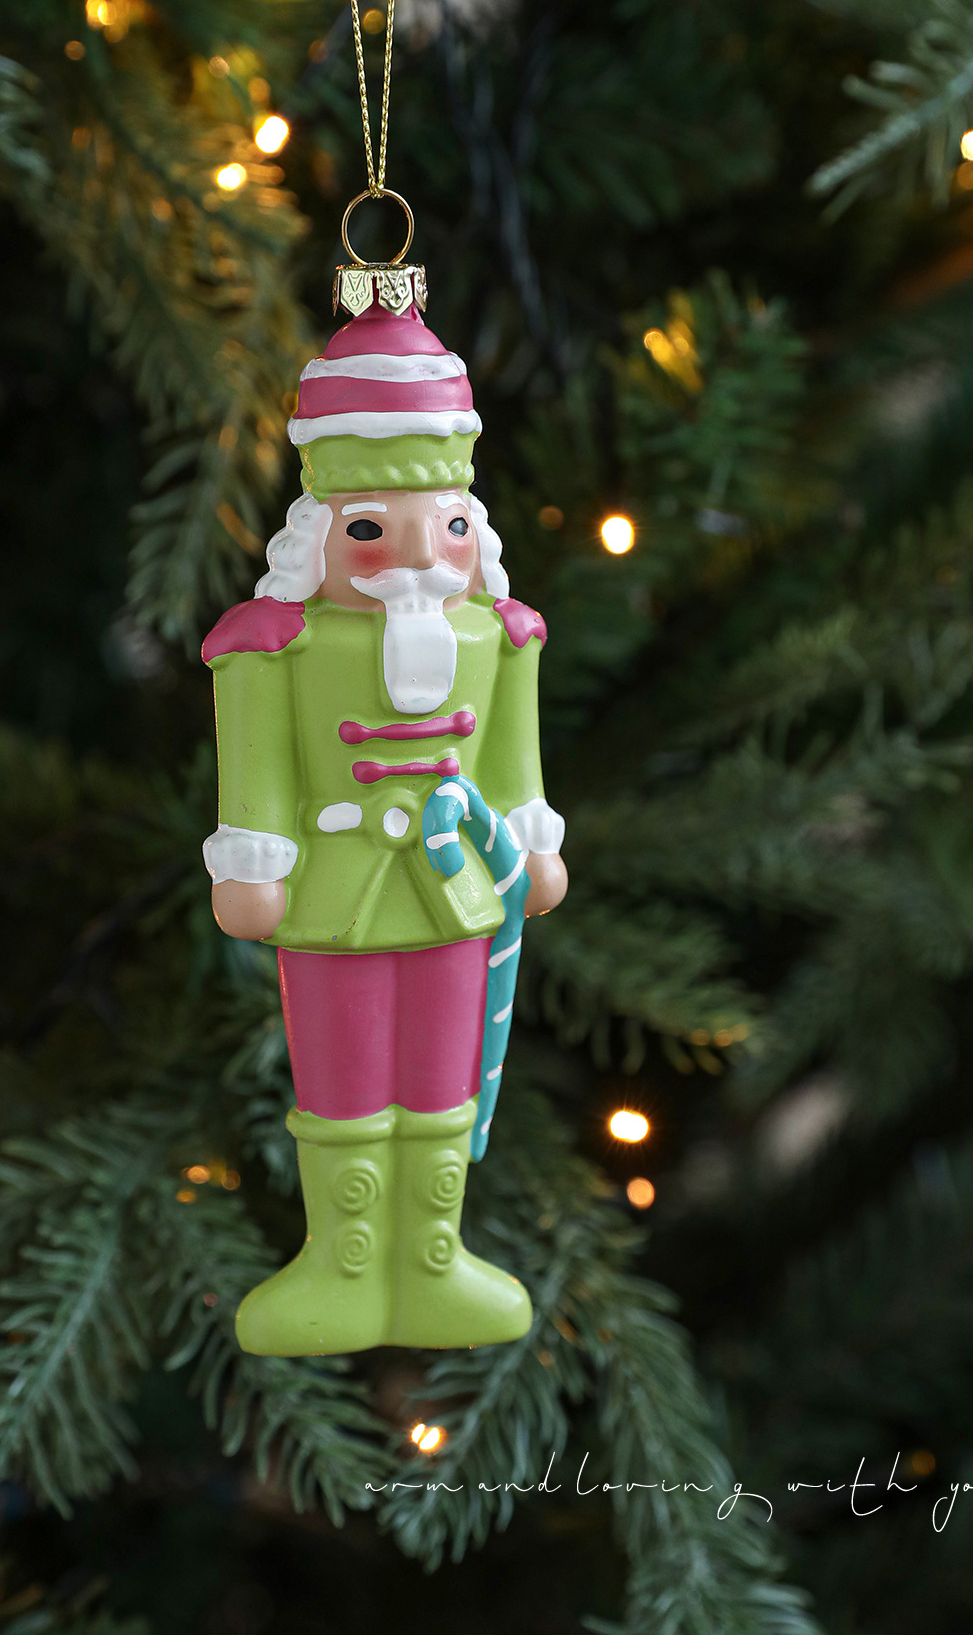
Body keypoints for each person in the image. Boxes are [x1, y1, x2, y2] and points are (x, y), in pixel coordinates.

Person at [202, 284, 567, 1355]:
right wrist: (251, 858)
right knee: (345, 1079)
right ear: (319, 535)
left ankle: (433, 1257)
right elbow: (258, 766)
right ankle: (346, 1263)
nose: (416, 558)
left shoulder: (502, 636)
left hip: (455, 889)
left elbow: (513, 763)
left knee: (442, 1077)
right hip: (334, 893)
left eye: (447, 529)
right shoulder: (271, 646)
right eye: (370, 530)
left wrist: (532, 837)